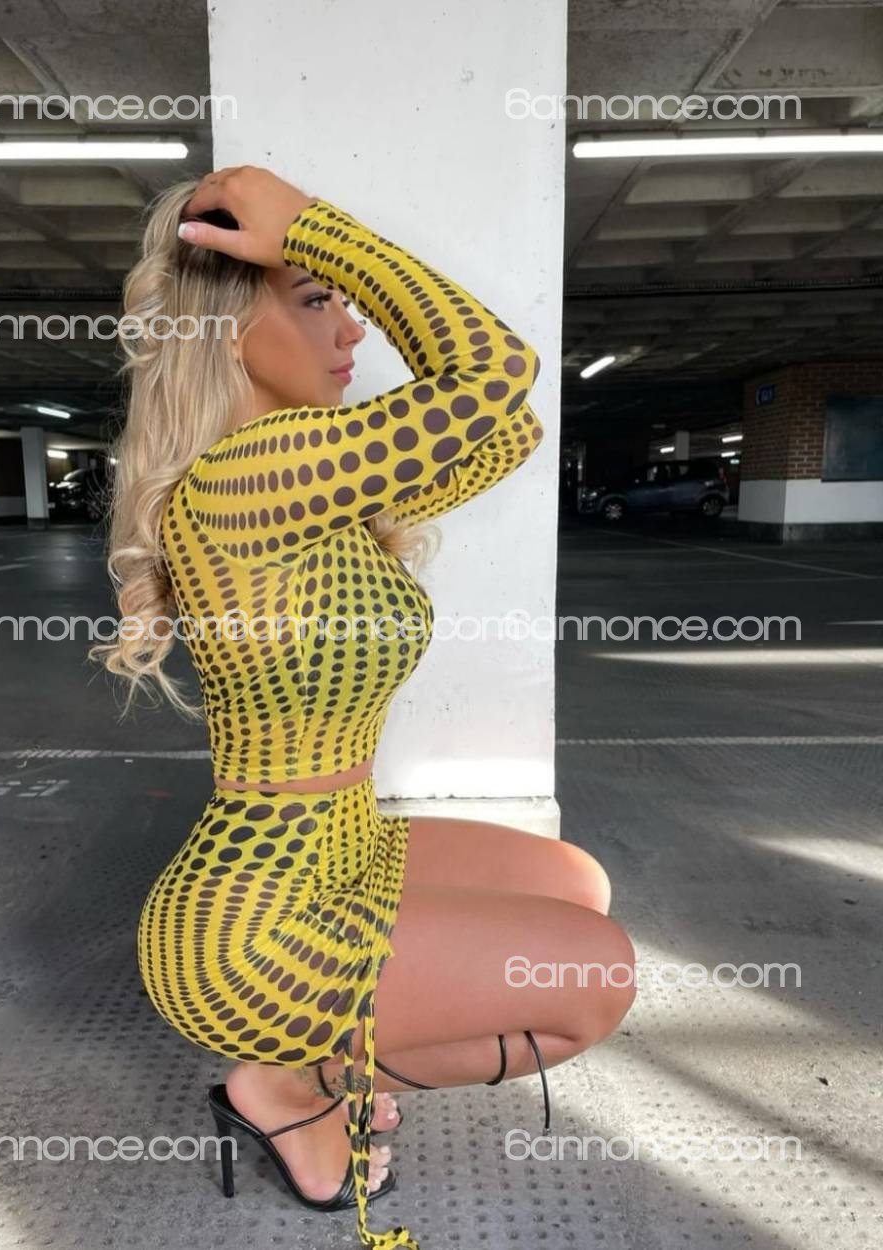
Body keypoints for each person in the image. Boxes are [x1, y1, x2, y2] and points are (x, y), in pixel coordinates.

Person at [92, 165, 636, 1250]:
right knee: (593, 976)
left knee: (577, 884)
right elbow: (493, 371)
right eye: (313, 297)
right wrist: (318, 228)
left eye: (341, 299)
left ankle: (310, 1068)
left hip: (340, 839)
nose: (351, 329)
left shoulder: (317, 482)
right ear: (223, 328)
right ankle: (285, 1085)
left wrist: (315, 249)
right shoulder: (245, 478)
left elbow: (510, 424)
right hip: (251, 925)